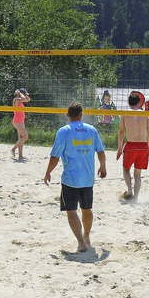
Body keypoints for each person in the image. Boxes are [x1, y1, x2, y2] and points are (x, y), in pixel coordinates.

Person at [44, 102, 107, 252]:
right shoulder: (91, 130)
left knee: (71, 211)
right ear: (81, 115)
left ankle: (81, 242)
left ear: (68, 116)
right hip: (87, 179)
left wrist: (48, 172)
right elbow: (101, 151)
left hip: (70, 180)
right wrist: (103, 166)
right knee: (86, 209)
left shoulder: (64, 131)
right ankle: (86, 236)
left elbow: (55, 156)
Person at [116, 93, 149, 200]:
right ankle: (135, 197)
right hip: (143, 146)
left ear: (128, 102)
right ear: (139, 102)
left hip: (131, 145)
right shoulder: (145, 114)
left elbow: (121, 132)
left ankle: (129, 189)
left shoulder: (124, 114)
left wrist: (119, 148)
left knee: (126, 169)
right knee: (137, 174)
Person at [11, 88, 31, 160]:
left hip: (21, 121)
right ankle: (13, 149)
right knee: (25, 137)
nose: (25, 95)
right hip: (17, 121)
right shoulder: (16, 100)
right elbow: (24, 98)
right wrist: (19, 93)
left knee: (21, 139)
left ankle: (20, 156)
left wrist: (23, 93)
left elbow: (28, 99)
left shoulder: (21, 100)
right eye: (24, 94)